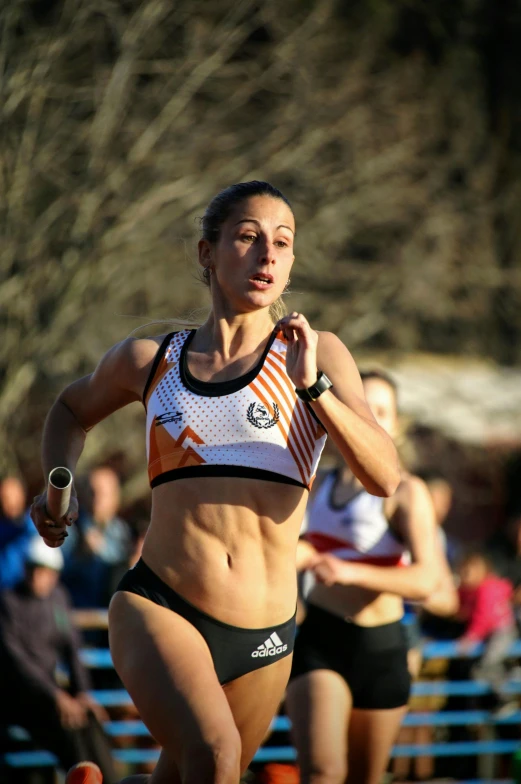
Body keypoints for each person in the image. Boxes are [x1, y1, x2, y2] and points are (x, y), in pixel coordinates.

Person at [30, 181, 401, 784]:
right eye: (249, 238)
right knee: (216, 758)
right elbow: (70, 411)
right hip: (161, 605)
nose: (267, 256)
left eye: (282, 244)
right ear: (207, 252)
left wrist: (314, 387)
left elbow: (384, 477)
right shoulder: (151, 360)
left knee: (186, 772)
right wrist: (57, 490)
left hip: (267, 636)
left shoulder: (319, 354)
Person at [285, 369, 457, 784]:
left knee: (365, 778)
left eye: (383, 411)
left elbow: (428, 582)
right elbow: (284, 548)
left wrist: (346, 571)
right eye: (364, 406)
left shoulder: (406, 492)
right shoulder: (317, 481)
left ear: (396, 425)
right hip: (320, 641)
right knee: (322, 772)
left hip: (380, 648)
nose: (373, 418)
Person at [0, 537, 116, 782]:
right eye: (34, 568)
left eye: (45, 571)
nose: (38, 576)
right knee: (70, 728)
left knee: (91, 721)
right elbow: (18, 663)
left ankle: (110, 779)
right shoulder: (9, 603)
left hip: (53, 693)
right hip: (22, 698)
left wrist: (83, 692)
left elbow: (72, 648)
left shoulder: (58, 600)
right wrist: (57, 696)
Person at [455, 548, 517, 715]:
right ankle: (508, 679)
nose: (466, 574)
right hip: (491, 632)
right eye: (464, 570)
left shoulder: (486, 589)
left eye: (470, 570)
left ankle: (505, 696)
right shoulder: (468, 590)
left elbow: (483, 616)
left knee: (487, 664)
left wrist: (471, 637)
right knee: (485, 667)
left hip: (501, 630)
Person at [0, 476, 35, 590]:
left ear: (22, 495)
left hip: (28, 592)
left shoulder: (33, 523)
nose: (9, 501)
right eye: (5, 497)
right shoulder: (3, 528)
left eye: (13, 496)